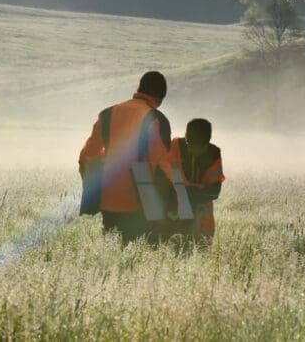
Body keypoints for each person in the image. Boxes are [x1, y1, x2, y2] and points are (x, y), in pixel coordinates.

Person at [78, 70, 174, 245]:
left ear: (139, 89)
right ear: (160, 97)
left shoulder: (107, 114)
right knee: (138, 256)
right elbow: (161, 165)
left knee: (111, 254)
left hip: (107, 201)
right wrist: (171, 203)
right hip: (140, 205)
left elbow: (86, 157)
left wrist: (93, 186)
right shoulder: (155, 119)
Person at [168, 118, 225, 245]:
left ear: (206, 144)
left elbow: (214, 191)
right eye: (189, 144)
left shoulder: (213, 154)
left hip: (201, 220)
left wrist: (190, 192)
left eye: (195, 146)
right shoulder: (175, 147)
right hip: (172, 212)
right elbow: (163, 179)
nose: (190, 149)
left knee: (200, 248)